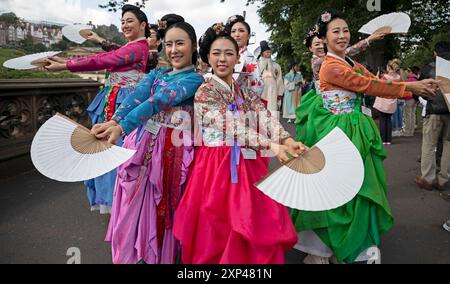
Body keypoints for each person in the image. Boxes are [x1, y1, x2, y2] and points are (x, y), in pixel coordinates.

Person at [290, 9, 438, 264]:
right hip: (337, 129)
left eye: (345, 30)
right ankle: (323, 248)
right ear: (323, 39)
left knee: (357, 186)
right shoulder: (329, 65)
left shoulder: (349, 61)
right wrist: (410, 87)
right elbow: (368, 86)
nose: (342, 35)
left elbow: (374, 80)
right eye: (335, 31)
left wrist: (417, 86)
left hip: (354, 127)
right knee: (335, 187)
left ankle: (348, 242)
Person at [172, 23, 305, 264]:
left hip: (244, 159)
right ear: (207, 57)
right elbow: (232, 127)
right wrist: (273, 147)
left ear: (237, 58)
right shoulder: (205, 91)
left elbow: (263, 116)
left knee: (251, 218)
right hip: (215, 166)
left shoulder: (243, 91)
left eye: (228, 53)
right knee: (218, 224)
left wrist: (287, 139)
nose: (222, 59)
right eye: (216, 53)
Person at [91, 18, 204, 264]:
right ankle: (134, 254)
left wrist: (122, 127)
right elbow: (138, 97)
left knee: (162, 205)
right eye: (170, 44)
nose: (174, 50)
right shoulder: (156, 74)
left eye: (180, 44)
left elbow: (159, 100)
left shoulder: (195, 80)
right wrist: (114, 121)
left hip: (171, 152)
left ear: (193, 46)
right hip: (141, 144)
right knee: (132, 204)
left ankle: (159, 256)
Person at [44, 4, 149, 214]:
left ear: (143, 25)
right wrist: (66, 60)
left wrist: (65, 66)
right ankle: (115, 201)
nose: (125, 25)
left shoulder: (138, 47)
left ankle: (119, 202)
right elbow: (107, 54)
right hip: (113, 99)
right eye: (123, 22)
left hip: (123, 103)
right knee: (105, 149)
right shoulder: (130, 47)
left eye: (130, 21)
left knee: (114, 149)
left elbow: (102, 59)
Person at [415, 41, 450, 191]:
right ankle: (445, 179)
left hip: (433, 110)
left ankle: (428, 179)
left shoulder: (430, 67)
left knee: (429, 144)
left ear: (435, 53)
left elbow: (420, 88)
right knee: (449, 144)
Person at [86, 24, 162, 72]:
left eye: (149, 37)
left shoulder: (151, 56)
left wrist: (98, 39)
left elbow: (121, 52)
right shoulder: (145, 54)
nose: (145, 39)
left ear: (158, 42)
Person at [225, 15, 263, 96]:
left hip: (240, 103)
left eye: (241, 31)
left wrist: (242, 102)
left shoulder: (249, 59)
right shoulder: (224, 55)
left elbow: (258, 86)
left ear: (249, 36)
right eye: (233, 31)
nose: (237, 34)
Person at [373, 59, 402, 144]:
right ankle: (388, 139)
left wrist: (377, 76)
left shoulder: (385, 77)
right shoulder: (398, 77)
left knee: (382, 120)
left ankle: (383, 139)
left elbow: (377, 84)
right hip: (392, 100)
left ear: (389, 67)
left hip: (383, 100)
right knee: (388, 120)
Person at [257, 40, 284, 112]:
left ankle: (273, 122)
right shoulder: (257, 64)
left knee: (272, 106)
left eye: (270, 52)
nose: (269, 54)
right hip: (261, 87)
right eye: (267, 52)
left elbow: (279, 79)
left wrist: (280, 93)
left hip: (273, 87)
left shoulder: (276, 65)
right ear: (262, 54)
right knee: (261, 107)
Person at [403, 66, 420, 137]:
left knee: (408, 115)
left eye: (408, 71)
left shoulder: (410, 80)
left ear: (411, 72)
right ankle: (411, 130)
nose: (407, 73)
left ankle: (407, 132)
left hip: (409, 98)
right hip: (415, 99)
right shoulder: (416, 80)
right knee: (413, 115)